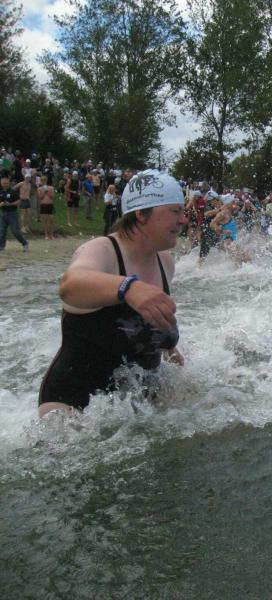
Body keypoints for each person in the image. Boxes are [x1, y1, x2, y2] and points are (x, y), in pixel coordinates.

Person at [38, 170, 187, 417]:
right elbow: (69, 285)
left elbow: (151, 316)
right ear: (141, 215)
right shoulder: (102, 250)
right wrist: (128, 288)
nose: (183, 220)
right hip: (76, 409)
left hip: (138, 405)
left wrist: (170, 350)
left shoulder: (165, 261)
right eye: (175, 211)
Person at [0, 176, 30, 251]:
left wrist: (11, 204)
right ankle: (1, 246)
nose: (5, 185)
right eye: (4, 183)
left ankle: (25, 243)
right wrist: (1, 204)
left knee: (15, 231)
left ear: (9, 183)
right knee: (2, 231)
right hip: (3, 213)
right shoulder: (1, 192)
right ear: (1, 183)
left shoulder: (12, 191)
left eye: (7, 183)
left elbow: (19, 201)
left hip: (12, 213)